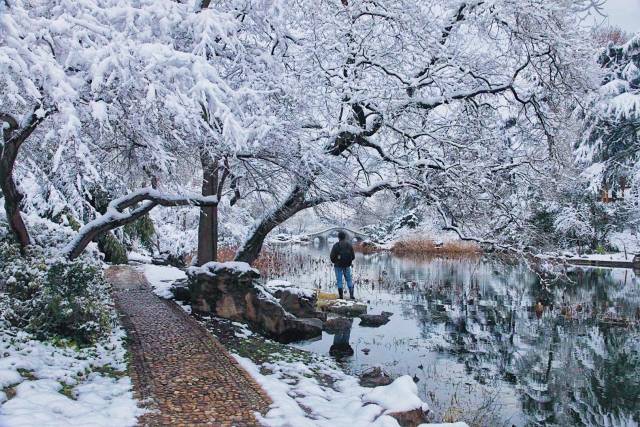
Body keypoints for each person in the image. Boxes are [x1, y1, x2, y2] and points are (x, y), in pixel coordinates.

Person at [330, 231, 355, 299]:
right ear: (345, 237)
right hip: (347, 266)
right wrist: (348, 261)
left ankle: (341, 297)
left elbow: (332, 257)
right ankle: (352, 295)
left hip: (338, 266)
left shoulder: (336, 245)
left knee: (339, 280)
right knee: (349, 280)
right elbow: (353, 257)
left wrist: (336, 261)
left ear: (338, 237)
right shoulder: (349, 245)